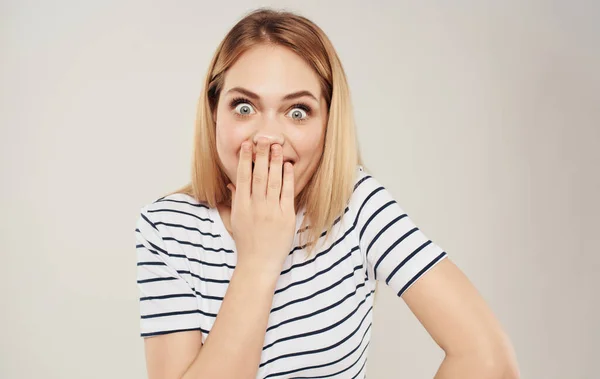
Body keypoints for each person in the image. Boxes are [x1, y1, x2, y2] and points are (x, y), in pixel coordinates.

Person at [134, 7, 520, 379]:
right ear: (214, 110)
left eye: (297, 111)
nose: (268, 136)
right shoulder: (167, 229)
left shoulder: (356, 204)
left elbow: (488, 358)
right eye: (245, 106)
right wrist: (258, 258)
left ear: (328, 125)